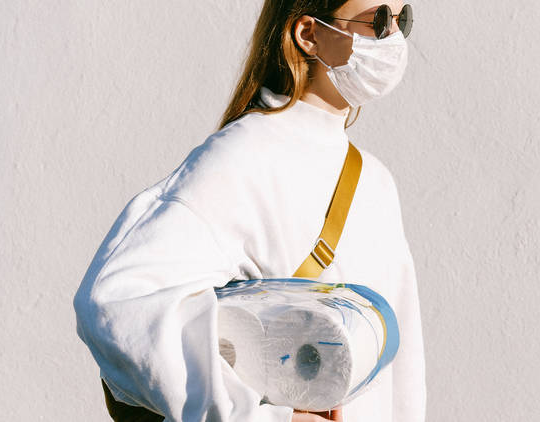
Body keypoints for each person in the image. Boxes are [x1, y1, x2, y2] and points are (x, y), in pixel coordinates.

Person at [73, 0, 425, 421]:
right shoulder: (244, 154)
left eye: (402, 21)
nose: (393, 40)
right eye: (379, 20)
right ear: (308, 33)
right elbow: (121, 300)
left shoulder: (376, 181)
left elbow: (402, 376)